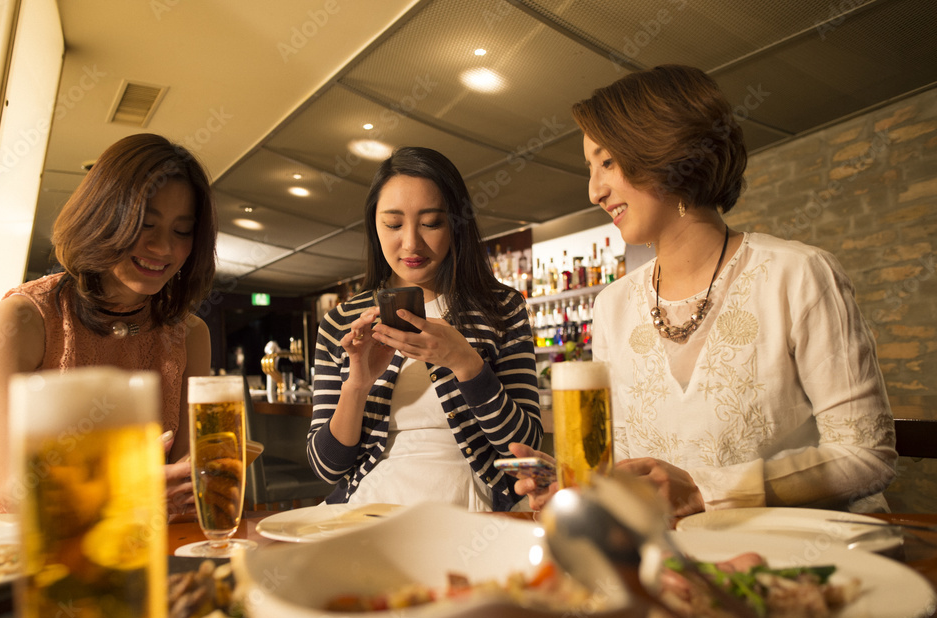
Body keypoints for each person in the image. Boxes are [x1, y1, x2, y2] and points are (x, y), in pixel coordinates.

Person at [514, 65, 896, 516]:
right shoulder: (612, 306)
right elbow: (631, 470)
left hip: (792, 559)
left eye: (607, 162)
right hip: (669, 566)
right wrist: (579, 484)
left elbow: (866, 455)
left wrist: (704, 490)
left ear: (664, 150)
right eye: (591, 168)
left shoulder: (798, 274)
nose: (594, 190)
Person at [0, 133, 217, 518]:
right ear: (102, 216)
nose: (163, 248)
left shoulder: (190, 334)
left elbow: (187, 476)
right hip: (36, 553)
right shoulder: (22, 320)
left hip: (144, 547)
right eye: (145, 224)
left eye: (181, 231)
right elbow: (13, 487)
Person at [307, 146, 542, 511]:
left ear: (456, 224)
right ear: (374, 225)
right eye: (393, 224)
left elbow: (528, 450)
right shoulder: (341, 322)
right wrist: (357, 385)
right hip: (370, 505)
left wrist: (467, 364)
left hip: (471, 505)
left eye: (431, 222)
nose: (411, 243)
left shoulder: (501, 309)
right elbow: (327, 467)